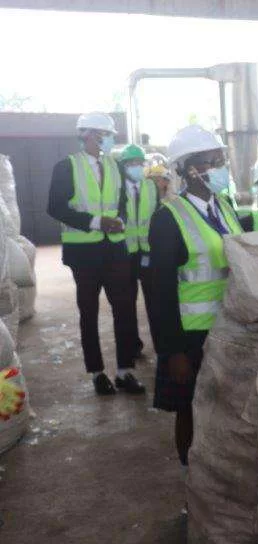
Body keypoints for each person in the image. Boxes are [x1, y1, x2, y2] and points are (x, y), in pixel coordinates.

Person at [149, 125, 245, 466]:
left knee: (222, 409)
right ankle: (192, 482)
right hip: (191, 336)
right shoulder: (168, 218)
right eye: (213, 161)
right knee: (190, 411)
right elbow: (158, 293)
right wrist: (172, 351)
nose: (222, 167)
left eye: (221, 159)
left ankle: (217, 480)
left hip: (229, 327)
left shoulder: (224, 207)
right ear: (191, 169)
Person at [47, 112, 145, 396]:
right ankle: (97, 372)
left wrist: (120, 221)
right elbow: (55, 207)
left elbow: (122, 203)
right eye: (107, 134)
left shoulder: (115, 166)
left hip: (115, 249)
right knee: (88, 312)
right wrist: (95, 222)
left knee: (125, 308)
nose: (111, 139)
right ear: (89, 134)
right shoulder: (66, 167)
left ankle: (125, 371)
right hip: (83, 253)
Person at [120, 143, 160, 354]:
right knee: (127, 303)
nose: (136, 167)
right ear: (124, 166)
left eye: (139, 163)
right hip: (124, 253)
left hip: (147, 252)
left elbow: (157, 216)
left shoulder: (151, 187)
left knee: (154, 301)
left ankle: (161, 343)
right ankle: (132, 345)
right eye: (132, 163)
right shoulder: (116, 188)